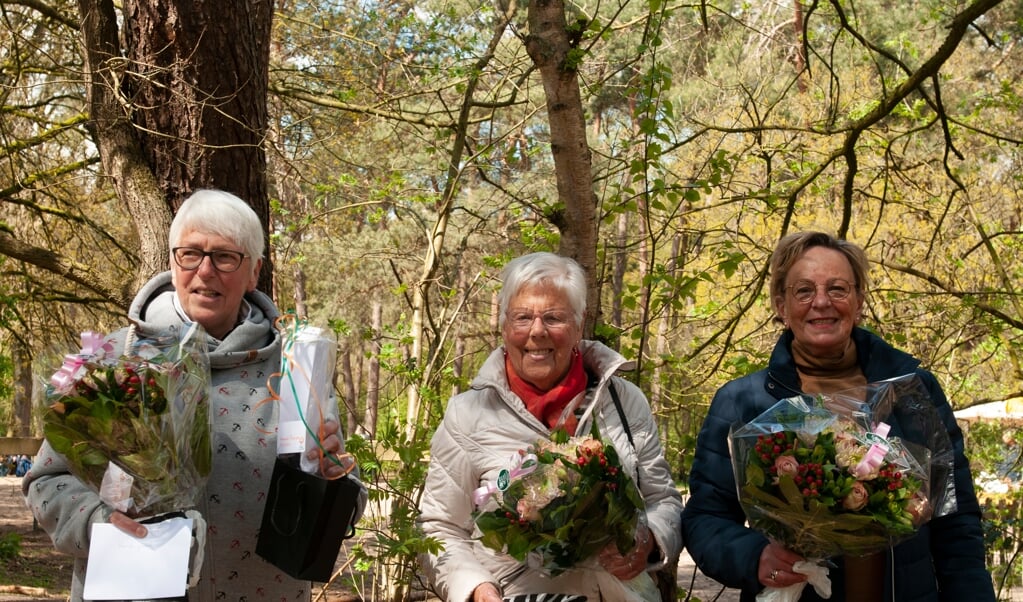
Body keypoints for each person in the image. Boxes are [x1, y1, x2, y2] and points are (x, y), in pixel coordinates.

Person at [24, 189, 367, 602]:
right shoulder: (110, 363)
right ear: (173, 261)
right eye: (191, 253)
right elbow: (47, 481)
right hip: (130, 587)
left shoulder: (296, 370)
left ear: (254, 271)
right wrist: (98, 521)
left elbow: (344, 497)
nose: (205, 271)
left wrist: (332, 480)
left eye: (225, 256)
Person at [681, 231, 994, 601]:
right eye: (803, 291)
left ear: (859, 299)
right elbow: (705, 519)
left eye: (838, 289)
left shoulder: (913, 391)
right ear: (781, 305)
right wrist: (755, 556)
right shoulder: (743, 404)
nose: (821, 302)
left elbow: (956, 524)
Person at [418, 251, 684, 601]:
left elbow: (664, 500)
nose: (537, 331)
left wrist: (648, 539)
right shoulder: (468, 414)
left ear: (579, 322)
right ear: (504, 325)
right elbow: (439, 528)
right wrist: (475, 589)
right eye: (523, 317)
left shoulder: (624, 401)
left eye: (554, 317)